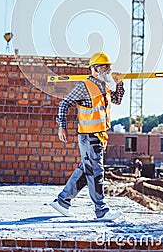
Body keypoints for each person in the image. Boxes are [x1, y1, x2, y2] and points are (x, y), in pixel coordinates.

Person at [50, 52, 125, 221]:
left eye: (110, 66)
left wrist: (119, 84)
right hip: (89, 136)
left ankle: (62, 201)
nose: (109, 69)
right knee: (96, 172)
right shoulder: (85, 86)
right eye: (106, 66)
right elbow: (64, 103)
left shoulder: (103, 86)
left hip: (98, 135)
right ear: (95, 69)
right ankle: (101, 210)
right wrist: (62, 126)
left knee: (87, 170)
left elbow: (117, 100)